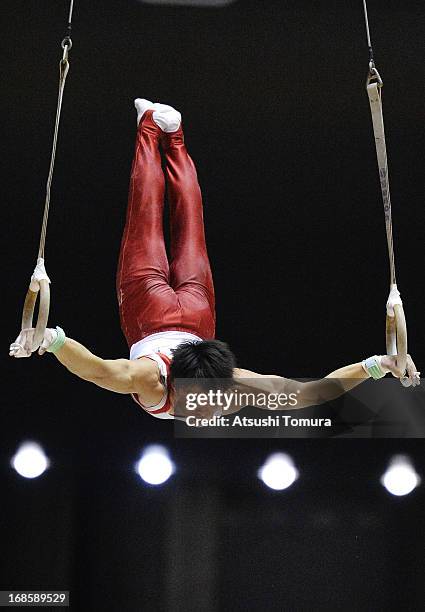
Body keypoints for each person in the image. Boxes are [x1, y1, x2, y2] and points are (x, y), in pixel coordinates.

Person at [9, 100, 420, 420]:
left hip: (187, 312)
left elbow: (99, 370)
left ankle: (162, 129)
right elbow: (308, 395)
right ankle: (162, 130)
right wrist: (50, 340)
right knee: (168, 221)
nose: (209, 410)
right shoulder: (199, 383)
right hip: (158, 313)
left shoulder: (164, 382)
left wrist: (52, 339)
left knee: (155, 218)